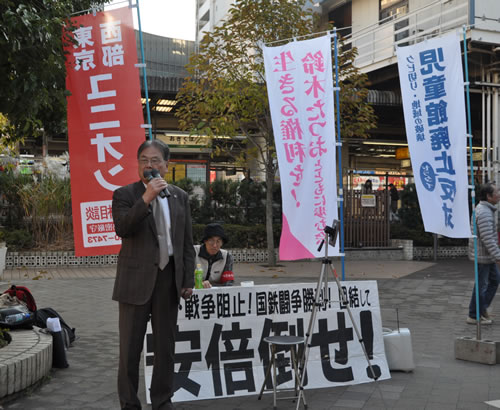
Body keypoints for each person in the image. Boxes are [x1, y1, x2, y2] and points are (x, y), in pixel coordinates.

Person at [112, 139, 195, 409]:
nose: (149, 165)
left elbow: (185, 242)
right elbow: (123, 228)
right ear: (138, 165)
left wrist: (186, 280)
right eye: (144, 160)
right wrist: (146, 198)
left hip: (168, 279)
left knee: (165, 348)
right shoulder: (124, 194)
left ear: (166, 166)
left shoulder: (179, 196)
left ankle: (162, 400)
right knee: (130, 350)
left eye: (155, 160)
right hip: (134, 281)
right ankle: (129, 403)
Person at [467, 182, 500, 325]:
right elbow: (488, 238)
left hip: (487, 255)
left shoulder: (487, 209)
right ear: (488, 196)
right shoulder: (484, 212)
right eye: (497, 192)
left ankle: (481, 309)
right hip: (483, 256)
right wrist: (498, 256)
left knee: (494, 280)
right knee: (482, 285)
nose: (499, 194)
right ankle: (474, 315)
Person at [194, 223, 234, 287]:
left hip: (217, 292)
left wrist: (211, 286)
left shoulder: (227, 256)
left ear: (222, 243)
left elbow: (228, 283)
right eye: (211, 241)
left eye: (218, 241)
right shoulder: (193, 252)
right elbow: (184, 279)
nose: (215, 245)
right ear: (205, 241)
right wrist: (199, 284)